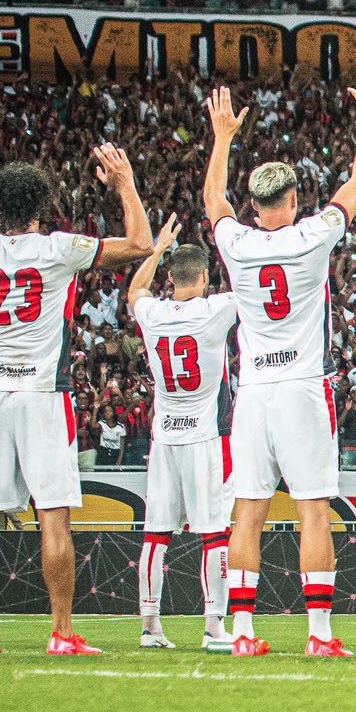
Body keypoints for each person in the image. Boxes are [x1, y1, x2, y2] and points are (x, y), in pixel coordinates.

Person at [204, 68, 356, 659]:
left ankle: (241, 633)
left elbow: (213, 200)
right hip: (304, 387)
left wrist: (224, 136)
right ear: (292, 201)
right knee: (314, 508)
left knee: (248, 514)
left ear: (255, 206)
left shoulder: (235, 242)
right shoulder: (312, 236)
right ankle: (318, 635)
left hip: (254, 391)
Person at [0, 144, 151, 655]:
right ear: (40, 207)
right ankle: (61, 631)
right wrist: (125, 183)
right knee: (55, 514)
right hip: (43, 393)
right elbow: (141, 244)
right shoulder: (58, 247)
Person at [127, 216, 238, 651]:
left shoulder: (152, 313)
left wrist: (157, 249)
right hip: (203, 436)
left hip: (164, 437)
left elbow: (136, 290)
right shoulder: (216, 309)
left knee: (156, 534)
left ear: (170, 278)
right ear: (206, 277)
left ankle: (150, 627)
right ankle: (214, 627)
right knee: (213, 534)